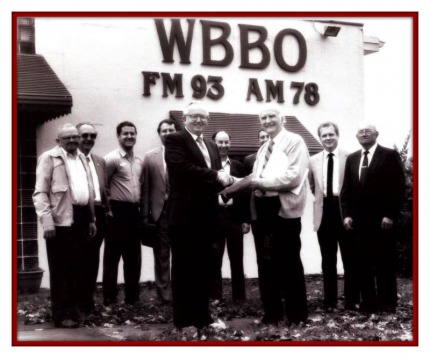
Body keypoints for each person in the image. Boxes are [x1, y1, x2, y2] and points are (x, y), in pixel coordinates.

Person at [164, 101, 233, 330]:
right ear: (184, 119)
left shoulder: (212, 145)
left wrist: (231, 185)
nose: (198, 120)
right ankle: (184, 321)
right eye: (194, 116)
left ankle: (202, 318)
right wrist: (216, 176)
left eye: (203, 117)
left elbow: (212, 183)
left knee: (204, 268)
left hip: (207, 216)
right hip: (184, 216)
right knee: (184, 268)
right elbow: (180, 168)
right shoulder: (175, 140)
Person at [244, 105, 310, 326]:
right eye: (263, 117)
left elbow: (294, 176)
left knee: (289, 262)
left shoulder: (294, 141)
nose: (267, 120)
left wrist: (260, 182)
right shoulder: (264, 148)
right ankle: (272, 314)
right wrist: (243, 183)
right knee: (266, 262)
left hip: (284, 210)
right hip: (263, 208)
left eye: (272, 116)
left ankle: (297, 316)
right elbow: (257, 174)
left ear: (282, 119)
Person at [33, 123, 96, 328]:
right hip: (59, 221)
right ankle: (61, 315)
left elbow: (87, 191)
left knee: (79, 268)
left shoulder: (82, 158)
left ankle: (76, 311)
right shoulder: (49, 158)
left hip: (81, 217)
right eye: (66, 138)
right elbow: (40, 192)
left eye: (74, 137)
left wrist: (91, 219)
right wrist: (47, 220)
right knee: (61, 269)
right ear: (58, 141)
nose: (72, 141)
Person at [341, 123, 405, 314]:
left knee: (384, 263)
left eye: (368, 131)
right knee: (363, 264)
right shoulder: (352, 159)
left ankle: (387, 304)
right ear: (356, 136)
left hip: (382, 221)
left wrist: (390, 215)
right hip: (359, 223)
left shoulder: (389, 155)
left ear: (377, 134)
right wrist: (347, 215)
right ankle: (368, 303)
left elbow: (398, 187)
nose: (364, 134)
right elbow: (347, 190)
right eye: (360, 131)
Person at [308, 122, 360, 312]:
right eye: (324, 135)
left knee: (350, 258)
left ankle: (351, 300)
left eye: (331, 134)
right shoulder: (313, 160)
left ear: (337, 136)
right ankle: (329, 301)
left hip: (345, 212)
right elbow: (313, 186)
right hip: (324, 213)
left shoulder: (350, 157)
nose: (328, 138)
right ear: (320, 138)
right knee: (327, 259)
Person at [103, 121, 144, 306]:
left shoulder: (139, 161)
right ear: (118, 136)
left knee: (133, 257)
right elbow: (102, 187)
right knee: (112, 257)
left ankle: (132, 298)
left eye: (132, 133)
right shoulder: (111, 159)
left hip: (133, 212)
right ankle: (109, 299)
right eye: (125, 133)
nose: (129, 137)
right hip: (116, 211)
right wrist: (108, 210)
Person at [141, 119, 180, 304]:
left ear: (176, 131)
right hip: (160, 213)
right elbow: (146, 189)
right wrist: (146, 215)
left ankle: (180, 293)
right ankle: (164, 297)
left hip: (180, 212)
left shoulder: (184, 153)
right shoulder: (150, 157)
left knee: (180, 255)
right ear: (159, 134)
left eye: (171, 130)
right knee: (162, 255)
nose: (167, 133)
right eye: (164, 131)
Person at [210, 131, 250, 302]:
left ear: (230, 143)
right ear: (213, 143)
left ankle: (239, 297)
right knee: (214, 259)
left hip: (234, 217)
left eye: (226, 142)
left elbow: (245, 194)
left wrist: (246, 220)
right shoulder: (208, 165)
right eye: (220, 142)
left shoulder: (238, 166)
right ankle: (215, 296)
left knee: (237, 258)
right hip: (215, 217)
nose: (223, 146)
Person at [75, 122, 108, 315]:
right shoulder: (72, 160)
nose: (89, 139)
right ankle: (77, 302)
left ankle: (88, 302)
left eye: (92, 136)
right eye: (85, 135)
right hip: (80, 213)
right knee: (79, 257)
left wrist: (107, 208)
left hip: (98, 212)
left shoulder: (99, 161)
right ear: (77, 136)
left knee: (93, 258)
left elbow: (103, 188)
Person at [242, 129, 270, 306]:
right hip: (257, 213)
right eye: (262, 137)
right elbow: (246, 190)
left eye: (268, 137)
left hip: (277, 213)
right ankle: (265, 293)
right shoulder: (250, 160)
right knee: (263, 254)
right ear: (258, 140)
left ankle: (281, 291)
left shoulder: (281, 157)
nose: (265, 139)